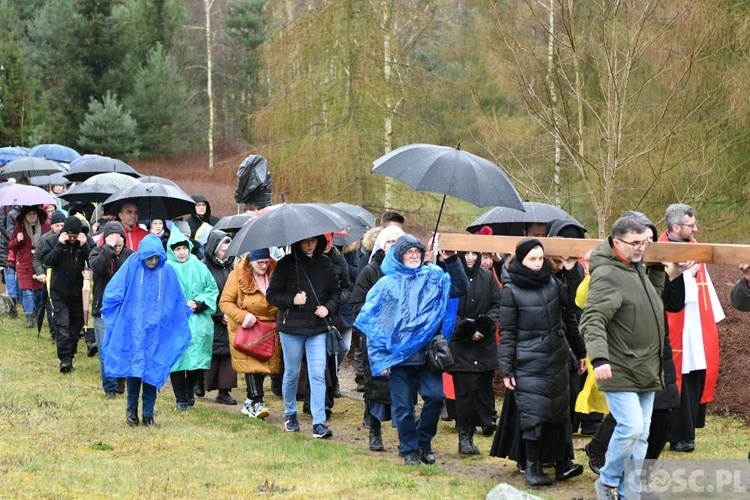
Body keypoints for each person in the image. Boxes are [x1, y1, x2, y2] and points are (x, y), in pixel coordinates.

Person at [355, 234, 469, 466]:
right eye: (409, 252)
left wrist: (452, 260)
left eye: (418, 251)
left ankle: (423, 441)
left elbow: (459, 287)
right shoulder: (386, 285)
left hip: (428, 355)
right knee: (403, 407)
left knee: (436, 398)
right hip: (399, 359)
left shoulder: (433, 277)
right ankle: (409, 449)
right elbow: (375, 325)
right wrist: (381, 361)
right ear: (399, 256)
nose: (414, 255)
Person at [579, 216, 668, 500]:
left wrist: (657, 270)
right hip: (619, 366)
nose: (642, 247)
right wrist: (600, 359)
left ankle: (631, 492)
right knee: (630, 427)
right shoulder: (608, 273)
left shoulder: (635, 268)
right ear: (617, 243)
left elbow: (648, 304)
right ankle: (607, 482)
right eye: (636, 243)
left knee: (642, 435)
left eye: (646, 242)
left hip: (646, 366)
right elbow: (592, 319)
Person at [490, 238, 586, 486]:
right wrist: (507, 369)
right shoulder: (511, 291)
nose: (537, 263)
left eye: (540, 258)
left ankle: (562, 463)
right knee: (535, 415)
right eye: (532, 259)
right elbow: (508, 333)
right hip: (529, 362)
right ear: (520, 260)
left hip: (556, 359)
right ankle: (532, 468)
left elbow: (570, 305)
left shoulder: (552, 282)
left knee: (559, 412)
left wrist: (571, 269)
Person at [101, 233, 193, 427]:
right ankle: (131, 411)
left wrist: (182, 312)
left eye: (155, 257)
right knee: (134, 370)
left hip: (157, 331)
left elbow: (174, 299)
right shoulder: (133, 266)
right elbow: (115, 290)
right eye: (149, 258)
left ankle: (148, 414)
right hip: (134, 328)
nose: (152, 262)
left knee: (153, 369)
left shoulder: (166, 271)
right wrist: (115, 313)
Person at [658, 203, 724, 453]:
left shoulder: (695, 247)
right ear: (676, 227)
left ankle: (690, 428)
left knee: (697, 370)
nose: (696, 228)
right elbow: (665, 287)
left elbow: (704, 283)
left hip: (697, 319)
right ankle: (678, 434)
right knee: (679, 375)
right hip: (676, 320)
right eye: (691, 224)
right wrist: (685, 273)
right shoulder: (660, 250)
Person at [266, 235, 341, 439]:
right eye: (306, 241)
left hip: (317, 328)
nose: (310, 245)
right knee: (291, 372)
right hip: (291, 328)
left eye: (314, 241)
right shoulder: (286, 265)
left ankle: (319, 421)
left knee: (317, 373)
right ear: (298, 242)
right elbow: (271, 295)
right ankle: (290, 413)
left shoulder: (326, 264)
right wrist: (292, 299)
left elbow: (336, 293)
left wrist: (328, 308)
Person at [351, 225, 405, 451]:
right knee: (375, 385)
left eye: (398, 242)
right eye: (390, 241)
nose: (394, 246)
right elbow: (356, 305)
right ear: (382, 244)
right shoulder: (371, 271)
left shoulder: (410, 270)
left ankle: (405, 435)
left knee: (403, 386)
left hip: (402, 338)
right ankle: (375, 431)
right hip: (376, 338)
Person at [448, 251, 502, 455]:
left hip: (484, 344)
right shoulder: (451, 277)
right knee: (464, 391)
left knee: (481, 387)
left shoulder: (488, 277)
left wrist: (483, 326)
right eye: (466, 254)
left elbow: (498, 304)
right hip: (461, 343)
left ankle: (485, 422)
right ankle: (465, 436)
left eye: (474, 254)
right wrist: (466, 329)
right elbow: (446, 309)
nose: (470, 258)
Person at [220, 247, 280, 420]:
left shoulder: (275, 272)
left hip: (269, 328)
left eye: (266, 262)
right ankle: (257, 402)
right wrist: (243, 316)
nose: (263, 266)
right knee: (251, 364)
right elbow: (225, 302)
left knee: (262, 365)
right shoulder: (237, 275)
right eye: (259, 263)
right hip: (247, 327)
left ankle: (249, 401)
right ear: (250, 261)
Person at [166, 230, 219, 411]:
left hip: (198, 321)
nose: (181, 252)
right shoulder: (167, 269)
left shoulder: (199, 266)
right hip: (176, 321)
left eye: (184, 248)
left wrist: (198, 303)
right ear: (171, 251)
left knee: (196, 360)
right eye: (177, 249)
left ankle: (189, 392)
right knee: (177, 360)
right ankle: (180, 398)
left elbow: (212, 290)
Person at [88, 221, 133, 399]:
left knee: (122, 348)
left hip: (124, 311)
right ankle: (109, 387)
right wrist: (108, 248)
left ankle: (120, 377)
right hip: (103, 310)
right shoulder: (97, 252)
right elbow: (98, 268)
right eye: (113, 237)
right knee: (106, 350)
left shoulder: (130, 256)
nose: (117, 241)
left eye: (120, 237)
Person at [42, 216, 91, 373]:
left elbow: (93, 262)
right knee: (62, 326)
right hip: (59, 292)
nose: (72, 238)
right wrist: (59, 245)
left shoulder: (85, 242)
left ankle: (70, 354)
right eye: (69, 235)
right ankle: (65, 359)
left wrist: (84, 246)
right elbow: (47, 262)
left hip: (77, 293)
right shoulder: (52, 241)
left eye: (74, 236)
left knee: (74, 328)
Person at [201, 230, 238, 406]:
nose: (227, 250)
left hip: (229, 318)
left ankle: (224, 391)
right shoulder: (204, 267)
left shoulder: (233, 268)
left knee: (228, 355)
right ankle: (199, 383)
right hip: (210, 317)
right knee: (209, 353)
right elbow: (203, 293)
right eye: (224, 246)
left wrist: (231, 313)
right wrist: (217, 314)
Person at [8, 206, 50, 328]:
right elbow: (10, 245)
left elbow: (50, 240)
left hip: (39, 263)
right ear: (24, 215)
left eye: (34, 213)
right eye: (29, 214)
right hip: (24, 263)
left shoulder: (44, 226)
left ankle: (36, 311)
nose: (32, 216)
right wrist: (17, 239)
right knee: (26, 291)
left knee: (38, 292)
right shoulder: (19, 227)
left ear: (38, 214)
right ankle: (29, 316)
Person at [33, 210, 66, 341]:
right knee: (50, 306)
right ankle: (55, 334)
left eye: (62, 225)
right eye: (57, 225)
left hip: (65, 277)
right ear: (51, 225)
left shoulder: (69, 238)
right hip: (49, 276)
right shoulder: (44, 239)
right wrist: (40, 273)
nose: (59, 228)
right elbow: (36, 258)